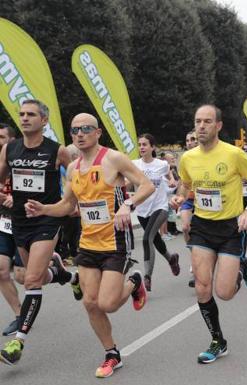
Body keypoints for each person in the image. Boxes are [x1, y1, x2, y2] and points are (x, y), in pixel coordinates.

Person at [25, 113, 152, 377]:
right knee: (90, 303)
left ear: (98, 132)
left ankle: (134, 281)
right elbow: (68, 206)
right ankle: (111, 353)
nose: (80, 134)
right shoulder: (73, 168)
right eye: (74, 130)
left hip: (115, 240)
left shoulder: (113, 158)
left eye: (86, 129)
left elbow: (146, 185)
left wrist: (128, 205)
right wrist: (43, 209)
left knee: (107, 303)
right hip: (88, 243)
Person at [171, 104, 247, 363]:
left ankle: (240, 264)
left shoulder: (233, 154)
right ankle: (217, 341)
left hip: (230, 227)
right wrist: (179, 196)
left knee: (224, 292)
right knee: (203, 288)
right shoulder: (188, 158)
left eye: (207, 121)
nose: (201, 126)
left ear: (218, 126)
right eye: (198, 121)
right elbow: (186, 183)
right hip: (202, 226)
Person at [0, 99, 78, 365]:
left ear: (43, 120)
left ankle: (17, 342)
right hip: (19, 220)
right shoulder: (10, 149)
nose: (24, 118)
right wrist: (4, 196)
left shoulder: (57, 151)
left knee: (32, 280)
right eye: (21, 114)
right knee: (27, 276)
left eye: (31, 114)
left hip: (46, 219)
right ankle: (62, 274)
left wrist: (66, 205)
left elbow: (75, 180)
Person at [131, 134, 180, 291]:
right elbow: (127, 181)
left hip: (160, 207)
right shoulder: (134, 165)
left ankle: (147, 278)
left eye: (145, 144)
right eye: (139, 145)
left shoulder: (162, 164)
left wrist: (171, 180)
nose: (142, 147)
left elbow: (168, 174)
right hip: (142, 209)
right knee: (156, 240)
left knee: (147, 239)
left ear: (152, 147)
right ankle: (171, 258)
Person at [0, 123, 22, 336]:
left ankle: (63, 272)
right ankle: (19, 315)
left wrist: (16, 197)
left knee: (25, 277)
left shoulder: (22, 160)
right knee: (1, 270)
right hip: (3, 223)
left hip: (26, 223)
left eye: (1, 137)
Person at [181, 130, 199, 288]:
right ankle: (194, 256)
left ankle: (198, 266)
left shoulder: (205, 157)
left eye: (193, 139)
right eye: (187, 140)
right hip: (188, 199)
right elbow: (183, 183)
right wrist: (179, 197)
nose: (190, 142)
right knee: (185, 227)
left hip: (203, 201)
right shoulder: (185, 159)